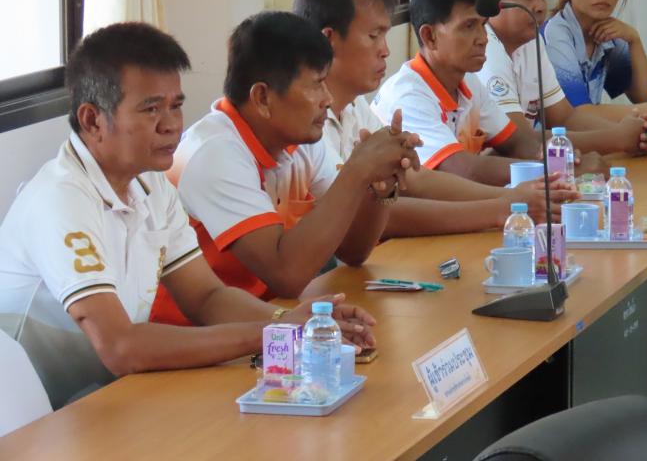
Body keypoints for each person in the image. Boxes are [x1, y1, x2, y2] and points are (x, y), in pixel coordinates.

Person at [0, 23, 376, 409]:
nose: (171, 124)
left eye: (176, 105)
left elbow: (207, 297)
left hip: (109, 396)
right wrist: (275, 331)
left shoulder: (150, 184)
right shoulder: (61, 199)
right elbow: (120, 347)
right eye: (151, 109)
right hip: (35, 415)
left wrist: (300, 323)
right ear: (93, 120)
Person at [149, 11, 420, 326]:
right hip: (199, 335)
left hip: (270, 317)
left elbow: (354, 251)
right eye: (316, 85)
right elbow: (287, 275)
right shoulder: (213, 154)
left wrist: (380, 187)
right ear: (262, 97)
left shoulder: (300, 140)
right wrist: (358, 170)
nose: (328, 98)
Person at [293, 0, 577, 236]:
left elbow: (414, 177)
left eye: (483, 26)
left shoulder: (356, 109)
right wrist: (504, 205)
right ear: (329, 40)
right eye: (373, 36)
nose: (385, 50)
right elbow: (374, 215)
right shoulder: (307, 125)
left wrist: (512, 198)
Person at [372, 0, 605, 188]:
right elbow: (461, 169)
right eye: (469, 26)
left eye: (483, 25)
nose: (483, 38)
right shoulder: (409, 95)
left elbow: (516, 142)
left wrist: (560, 159)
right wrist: (557, 172)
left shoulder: (467, 82)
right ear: (430, 36)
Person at [469, 0, 647, 156]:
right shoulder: (485, 50)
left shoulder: (531, 41)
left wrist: (633, 134)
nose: (540, 6)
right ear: (490, 2)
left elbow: (565, 117)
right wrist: (617, 138)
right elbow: (520, 140)